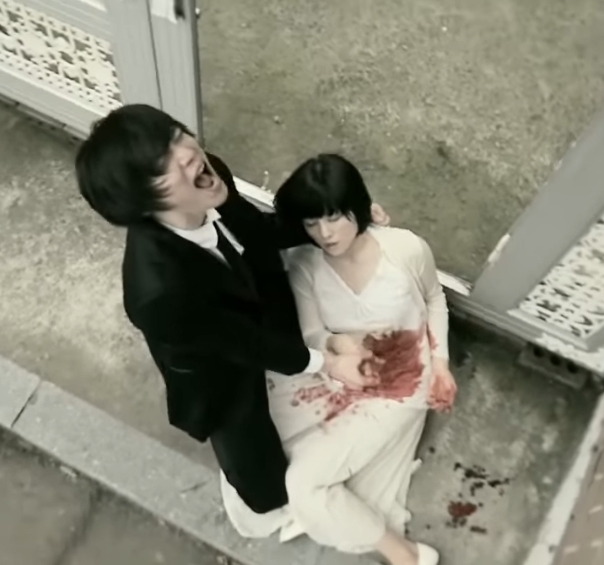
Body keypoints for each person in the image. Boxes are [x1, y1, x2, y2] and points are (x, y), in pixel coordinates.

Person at [74, 105, 386, 516]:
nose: (186, 153)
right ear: (141, 204)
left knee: (282, 328)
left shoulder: (210, 178)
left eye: (176, 135)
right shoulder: (157, 292)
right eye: (162, 168)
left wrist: (344, 216)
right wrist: (327, 363)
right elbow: (241, 343)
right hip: (213, 362)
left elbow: (258, 230)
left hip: (251, 290)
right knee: (257, 468)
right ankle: (267, 494)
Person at [220, 154, 458, 565]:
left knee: (305, 485)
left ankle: (406, 556)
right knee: (263, 450)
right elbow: (313, 332)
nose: (325, 233)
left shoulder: (404, 248)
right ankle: (348, 521)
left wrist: (441, 364)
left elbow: (434, 300)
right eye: (312, 222)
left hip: (401, 380)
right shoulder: (306, 262)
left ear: (358, 208)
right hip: (338, 373)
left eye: (334, 217)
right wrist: (341, 350)